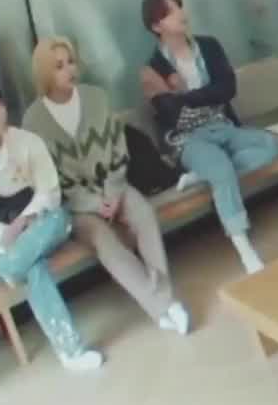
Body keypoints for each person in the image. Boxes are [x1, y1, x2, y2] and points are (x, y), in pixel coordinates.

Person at [23, 36, 191, 336]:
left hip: (115, 186)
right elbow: (49, 180)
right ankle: (164, 305)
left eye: (71, 62)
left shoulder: (97, 98)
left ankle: (164, 305)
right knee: (105, 242)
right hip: (76, 205)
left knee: (144, 216)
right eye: (59, 66)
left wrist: (112, 193)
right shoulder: (34, 120)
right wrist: (92, 203)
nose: (69, 70)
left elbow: (118, 149)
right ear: (45, 73)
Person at [0, 78, 103, 372]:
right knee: (34, 266)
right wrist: (8, 234)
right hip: (2, 243)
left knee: (59, 217)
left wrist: (23, 222)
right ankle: (71, 351)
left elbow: (50, 192)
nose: (1, 112)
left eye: (0, 104)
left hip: (42, 226)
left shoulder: (27, 142)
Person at [139, 0, 278, 275]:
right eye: (170, 12)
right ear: (156, 26)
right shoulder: (152, 69)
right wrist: (205, 96)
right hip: (188, 139)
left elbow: (227, 88)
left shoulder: (209, 46)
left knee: (269, 145)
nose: (180, 13)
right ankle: (243, 246)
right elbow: (170, 112)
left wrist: (187, 96)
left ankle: (201, 176)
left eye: (179, 6)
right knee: (220, 167)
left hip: (222, 125)